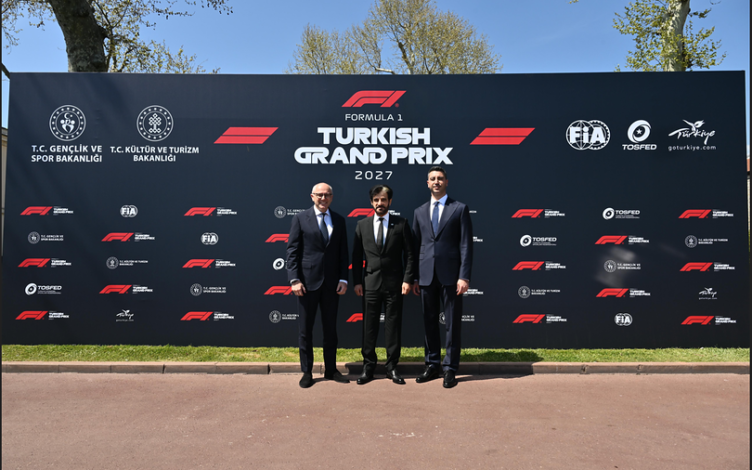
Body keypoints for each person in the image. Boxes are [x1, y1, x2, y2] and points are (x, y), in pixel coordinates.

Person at [412, 166, 473, 388]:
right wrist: (414, 277)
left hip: (451, 276)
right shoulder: (419, 211)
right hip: (426, 276)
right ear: (427, 183)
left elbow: (466, 245)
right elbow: (415, 247)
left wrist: (464, 276)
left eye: (440, 178)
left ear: (446, 182)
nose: (436, 181)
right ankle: (432, 365)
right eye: (432, 179)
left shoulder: (459, 209)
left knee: (452, 324)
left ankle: (450, 369)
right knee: (429, 322)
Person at [286, 182, 350, 388]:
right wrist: (294, 280)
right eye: (320, 195)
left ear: (332, 197)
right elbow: (292, 251)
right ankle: (307, 372)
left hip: (332, 285)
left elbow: (343, 252)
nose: (323, 198)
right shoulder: (300, 218)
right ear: (312, 196)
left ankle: (331, 369)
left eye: (327, 195)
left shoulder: (339, 220)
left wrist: (343, 279)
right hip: (306, 284)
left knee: (330, 330)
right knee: (305, 330)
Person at [352, 184, 415, 385]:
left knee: (393, 326)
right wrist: (357, 282)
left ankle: (392, 367)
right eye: (376, 200)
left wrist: (407, 280)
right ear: (371, 202)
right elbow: (356, 256)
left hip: (395, 284)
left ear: (390, 201)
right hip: (369, 284)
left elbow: (410, 255)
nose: (380, 203)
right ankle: (368, 367)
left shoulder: (402, 223)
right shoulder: (362, 225)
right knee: (369, 327)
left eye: (384, 199)